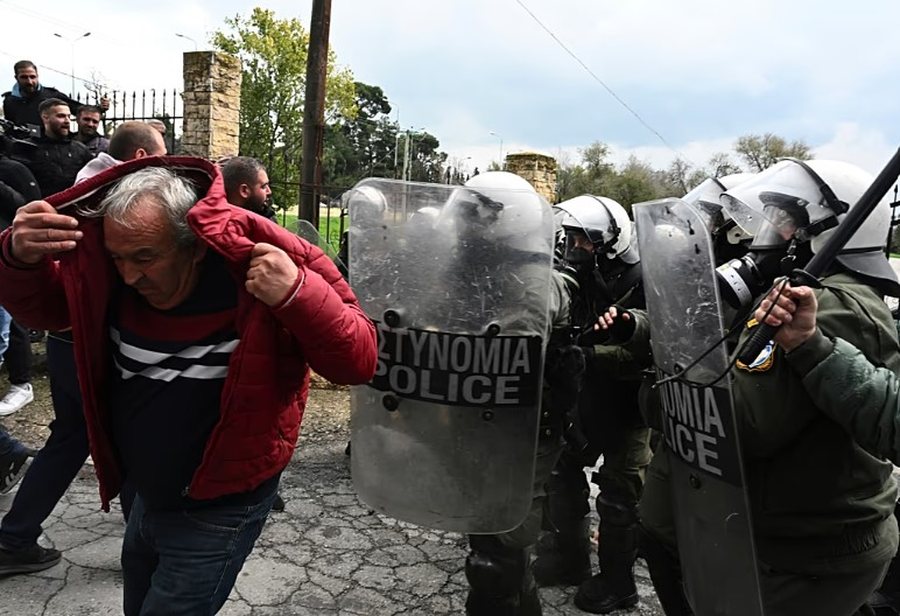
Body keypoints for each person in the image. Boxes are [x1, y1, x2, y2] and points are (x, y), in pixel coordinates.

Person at [0, 159, 377, 615]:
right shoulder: (111, 264)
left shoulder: (271, 256)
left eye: (144, 258)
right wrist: (17, 257)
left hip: (221, 508)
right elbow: (47, 311)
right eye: (118, 258)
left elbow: (358, 360)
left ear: (195, 246)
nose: (129, 276)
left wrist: (297, 292)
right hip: (145, 496)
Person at [605, 159, 900, 616]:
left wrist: (663, 381)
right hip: (784, 534)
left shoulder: (829, 305)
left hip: (806, 551)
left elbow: (740, 428)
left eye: (787, 218)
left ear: (825, 230)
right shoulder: (793, 291)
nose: (771, 229)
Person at [0, 119, 170, 577]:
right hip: (103, 344)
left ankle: (14, 537)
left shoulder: (79, 192)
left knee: (71, 437)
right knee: (133, 440)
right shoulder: (117, 201)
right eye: (162, 152)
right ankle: (144, 550)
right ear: (139, 158)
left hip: (65, 341)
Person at [532, 195, 652, 615]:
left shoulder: (644, 278)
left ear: (611, 240)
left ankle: (619, 584)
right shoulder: (579, 276)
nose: (576, 247)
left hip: (629, 406)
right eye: (574, 238)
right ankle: (571, 558)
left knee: (620, 498)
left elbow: (653, 348)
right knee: (563, 474)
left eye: (586, 240)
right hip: (586, 398)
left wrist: (593, 355)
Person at [2, 61, 108, 135]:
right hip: (24, 151)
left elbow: (79, 109)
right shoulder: (10, 101)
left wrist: (99, 108)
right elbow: (10, 129)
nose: (29, 82)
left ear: (37, 76)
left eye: (32, 77)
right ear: (16, 77)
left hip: (53, 147)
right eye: (24, 77)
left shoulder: (52, 95)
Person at [16, 98, 92, 197]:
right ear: (45, 117)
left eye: (69, 116)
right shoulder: (27, 148)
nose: (67, 121)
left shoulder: (80, 149)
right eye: (61, 116)